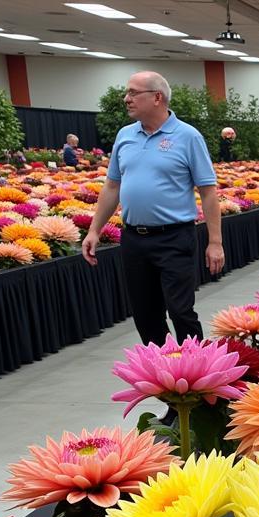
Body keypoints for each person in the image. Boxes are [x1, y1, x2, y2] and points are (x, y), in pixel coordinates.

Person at [81, 71, 222, 346]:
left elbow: (208, 191)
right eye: (127, 92)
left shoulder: (188, 137)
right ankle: (164, 376)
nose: (127, 99)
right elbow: (112, 187)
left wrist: (215, 242)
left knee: (180, 311)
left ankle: (199, 372)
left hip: (174, 238)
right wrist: (94, 230)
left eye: (134, 93)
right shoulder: (125, 136)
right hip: (134, 239)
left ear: (157, 97)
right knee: (145, 314)